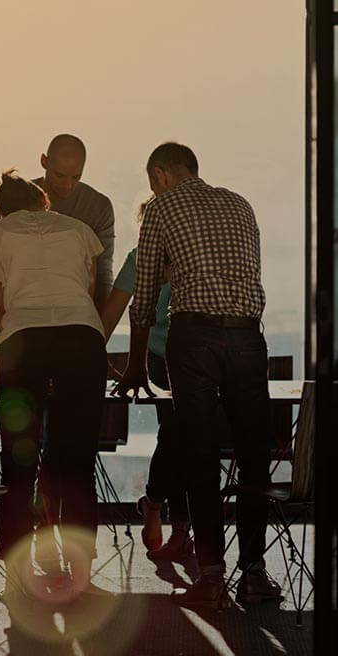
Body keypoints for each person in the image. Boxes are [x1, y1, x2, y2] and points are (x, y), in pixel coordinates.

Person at [115, 142, 281, 610]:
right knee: (253, 457)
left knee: (200, 453)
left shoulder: (162, 207)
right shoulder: (239, 203)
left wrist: (133, 366)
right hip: (248, 339)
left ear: (160, 174)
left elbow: (144, 295)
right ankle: (254, 574)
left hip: (194, 340)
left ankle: (211, 579)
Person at [0, 171, 107, 594]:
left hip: (23, 341)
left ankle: (18, 570)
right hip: (82, 340)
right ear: (41, 200)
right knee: (77, 460)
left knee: (18, 458)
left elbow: (2, 304)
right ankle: (79, 568)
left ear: (1, 207)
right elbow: (85, 290)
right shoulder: (80, 229)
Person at [0, 134, 115, 376]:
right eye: (59, 176)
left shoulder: (97, 207)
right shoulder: (79, 229)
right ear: (44, 162)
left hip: (29, 335)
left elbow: (102, 282)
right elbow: (92, 283)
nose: (67, 186)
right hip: (80, 334)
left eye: (76, 177)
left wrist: (100, 338)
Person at [101, 201, 192, 561]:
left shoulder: (193, 256)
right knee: (177, 434)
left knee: (181, 436)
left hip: (196, 354)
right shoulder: (140, 258)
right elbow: (114, 310)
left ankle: (154, 502)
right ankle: (178, 526)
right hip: (158, 356)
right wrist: (94, 353)